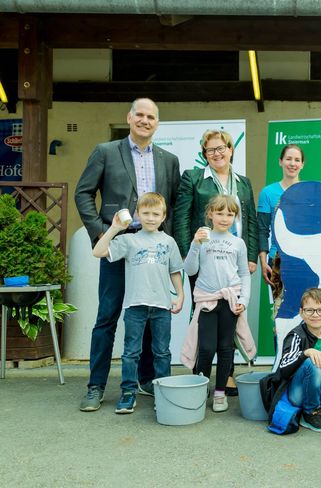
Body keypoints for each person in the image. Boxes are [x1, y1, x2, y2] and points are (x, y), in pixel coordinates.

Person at [75, 98, 181, 412]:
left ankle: (146, 379)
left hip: (153, 248)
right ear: (129, 117)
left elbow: (171, 206)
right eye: (140, 115)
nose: (145, 120)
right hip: (119, 245)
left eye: (151, 117)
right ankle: (96, 386)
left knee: (149, 314)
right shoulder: (106, 151)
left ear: (157, 123)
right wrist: (100, 231)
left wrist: (167, 243)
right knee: (107, 316)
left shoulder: (169, 159)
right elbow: (83, 192)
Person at [174, 129, 258, 396]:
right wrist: (190, 253)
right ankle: (198, 373)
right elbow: (182, 217)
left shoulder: (243, 182)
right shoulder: (194, 178)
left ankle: (227, 374)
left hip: (235, 256)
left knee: (231, 314)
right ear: (204, 155)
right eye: (211, 150)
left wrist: (251, 256)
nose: (217, 153)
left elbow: (251, 221)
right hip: (204, 257)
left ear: (231, 149)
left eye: (221, 148)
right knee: (203, 316)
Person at [91, 192, 184, 414]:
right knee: (131, 352)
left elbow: (175, 271)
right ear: (137, 215)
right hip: (135, 306)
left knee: (162, 351)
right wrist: (114, 228)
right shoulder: (128, 240)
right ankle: (128, 392)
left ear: (163, 216)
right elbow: (98, 251)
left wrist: (179, 295)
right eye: (146, 213)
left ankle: (163, 392)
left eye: (156, 214)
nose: (151, 218)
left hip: (162, 306)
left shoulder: (168, 241)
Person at [181, 195, 253, 413]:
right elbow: (190, 270)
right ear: (210, 214)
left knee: (225, 348)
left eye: (230, 214)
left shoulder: (238, 243)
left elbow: (244, 274)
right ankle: (200, 388)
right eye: (220, 213)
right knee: (206, 347)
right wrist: (194, 244)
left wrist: (244, 300)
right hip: (207, 301)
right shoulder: (202, 238)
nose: (224, 218)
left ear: (235, 217)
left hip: (230, 302)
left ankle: (220, 392)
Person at [260, 288, 321, 432]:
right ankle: (311, 412)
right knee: (313, 359)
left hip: (316, 389)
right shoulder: (296, 336)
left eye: (320, 310)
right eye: (309, 310)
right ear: (301, 312)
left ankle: (305, 415)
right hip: (296, 391)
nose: (315, 315)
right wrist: (305, 353)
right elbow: (284, 367)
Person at [257, 144, 305, 287]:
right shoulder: (267, 192)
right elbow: (262, 230)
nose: (292, 163)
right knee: (279, 307)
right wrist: (263, 262)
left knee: (305, 307)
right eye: (288, 159)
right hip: (276, 260)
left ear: (302, 164)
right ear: (280, 161)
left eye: (297, 160)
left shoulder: (308, 191)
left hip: (303, 259)